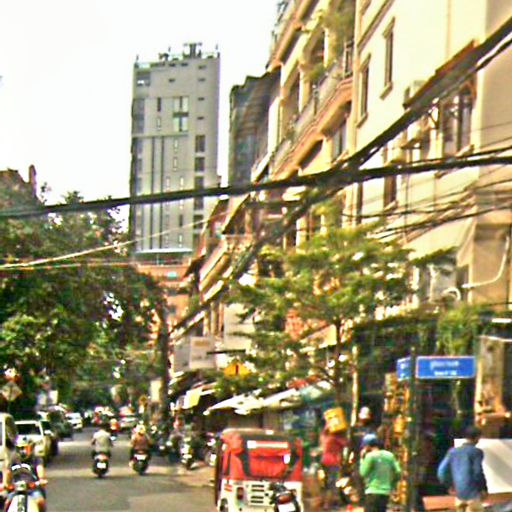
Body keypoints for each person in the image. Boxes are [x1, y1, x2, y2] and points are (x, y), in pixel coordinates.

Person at [437, 426, 488, 512]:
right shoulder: (476, 452)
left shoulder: (452, 452)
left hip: (459, 494)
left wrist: (450, 485)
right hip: (473, 494)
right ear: (478, 437)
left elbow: (441, 471)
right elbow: (478, 472)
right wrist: (483, 489)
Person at [3, 438, 47, 512]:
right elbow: (7, 472)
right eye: (20, 448)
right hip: (16, 490)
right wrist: (5, 484)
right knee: (7, 503)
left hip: (32, 489)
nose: (23, 451)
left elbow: (40, 469)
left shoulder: (36, 459)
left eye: (25, 448)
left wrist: (41, 479)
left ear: (31, 448)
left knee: (40, 502)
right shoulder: (13, 459)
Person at [359, 434, 401, 512]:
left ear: (368, 446)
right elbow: (398, 472)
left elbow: (363, 473)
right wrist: (392, 484)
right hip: (385, 492)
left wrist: (362, 459)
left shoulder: (370, 456)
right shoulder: (390, 455)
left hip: (372, 491)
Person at [320, 426, 347, 510]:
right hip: (333, 462)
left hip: (324, 461)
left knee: (327, 483)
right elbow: (346, 443)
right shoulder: (335, 439)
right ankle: (329, 504)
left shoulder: (325, 437)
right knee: (332, 483)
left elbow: (323, 433)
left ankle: (326, 502)